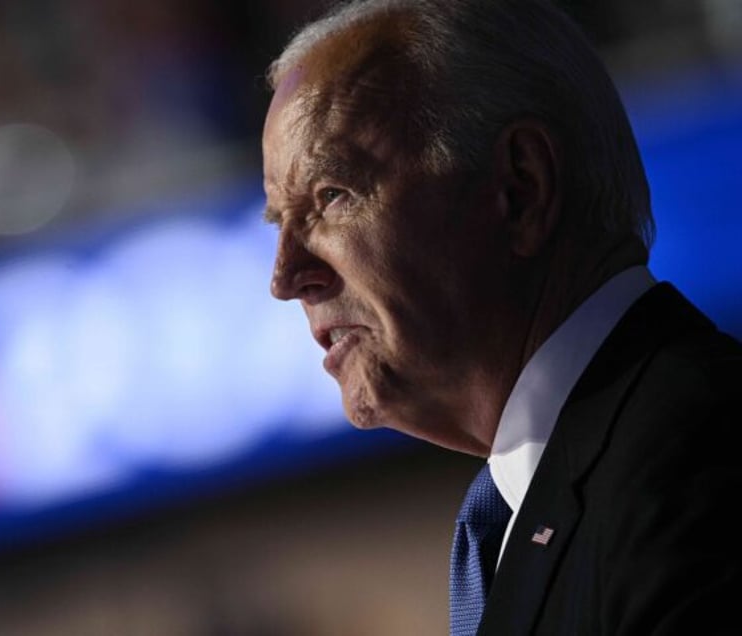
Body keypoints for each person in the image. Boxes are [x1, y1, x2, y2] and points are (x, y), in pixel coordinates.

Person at [261, 0, 742, 634]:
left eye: (331, 196)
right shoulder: (549, 505)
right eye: (280, 222)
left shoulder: (699, 466)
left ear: (520, 188)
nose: (286, 278)